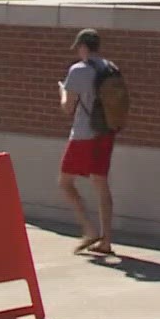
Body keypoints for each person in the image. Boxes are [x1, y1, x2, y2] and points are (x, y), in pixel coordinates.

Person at [60, 28, 118, 255]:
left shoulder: (78, 71)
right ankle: (107, 240)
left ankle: (89, 230)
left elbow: (67, 108)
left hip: (83, 134)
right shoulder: (111, 68)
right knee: (101, 184)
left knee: (65, 182)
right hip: (106, 133)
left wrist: (62, 93)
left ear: (83, 47)